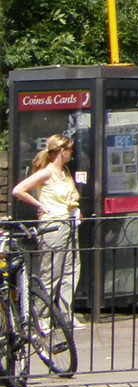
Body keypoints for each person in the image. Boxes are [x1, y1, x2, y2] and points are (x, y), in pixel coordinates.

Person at [11, 134, 82, 317]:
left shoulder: (65, 172)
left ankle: (65, 314)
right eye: (70, 150)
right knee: (51, 272)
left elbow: (74, 193)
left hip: (69, 222)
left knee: (71, 269)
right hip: (53, 225)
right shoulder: (46, 172)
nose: (72, 153)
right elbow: (18, 190)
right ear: (62, 151)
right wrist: (39, 204)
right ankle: (41, 316)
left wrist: (74, 199)